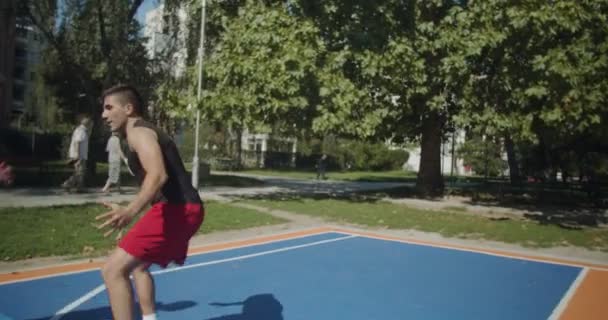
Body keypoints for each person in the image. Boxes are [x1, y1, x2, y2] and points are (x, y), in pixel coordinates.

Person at [96, 84, 204, 320]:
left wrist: (130, 211)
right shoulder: (137, 133)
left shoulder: (139, 132)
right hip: (182, 208)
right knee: (138, 266)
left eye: (108, 108)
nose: (103, 115)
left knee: (113, 270)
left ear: (128, 108)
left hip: (179, 209)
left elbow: (157, 175)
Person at [62, 116, 92, 192]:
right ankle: (68, 184)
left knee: (80, 172)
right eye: (89, 122)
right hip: (79, 155)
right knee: (79, 172)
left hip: (80, 155)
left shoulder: (81, 130)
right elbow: (77, 143)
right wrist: (78, 156)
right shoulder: (81, 131)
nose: (90, 124)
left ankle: (79, 188)